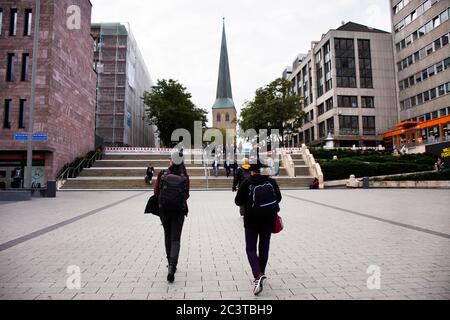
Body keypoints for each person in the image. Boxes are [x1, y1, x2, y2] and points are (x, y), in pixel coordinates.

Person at [234, 161, 282, 296]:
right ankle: (261, 273)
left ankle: (257, 275)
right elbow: (278, 198)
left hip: (251, 221)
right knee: (264, 246)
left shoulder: (247, 183)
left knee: (250, 248)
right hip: (268, 219)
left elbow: (237, 201)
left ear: (252, 171)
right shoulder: (271, 182)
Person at [153, 153, 190, 283]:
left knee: (167, 236)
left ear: (171, 161)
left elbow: (156, 192)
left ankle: (169, 262)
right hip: (179, 211)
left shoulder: (162, 175)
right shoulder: (184, 177)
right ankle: (173, 266)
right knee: (176, 239)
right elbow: (186, 195)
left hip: (164, 210)